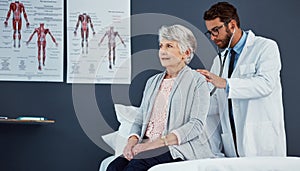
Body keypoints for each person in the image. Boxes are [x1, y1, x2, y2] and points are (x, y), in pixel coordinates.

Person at [107, 24, 214, 171]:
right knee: (113, 167)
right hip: (146, 146)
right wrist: (131, 143)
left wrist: (149, 146)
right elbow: (140, 119)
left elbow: (195, 125)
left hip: (175, 146)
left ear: (186, 52)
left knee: (135, 167)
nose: (162, 51)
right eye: (161, 45)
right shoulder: (152, 82)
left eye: (169, 46)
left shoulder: (197, 81)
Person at [197, 2, 286, 157]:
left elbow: (266, 84)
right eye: (210, 32)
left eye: (216, 30)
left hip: (261, 141)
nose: (212, 37)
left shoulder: (265, 47)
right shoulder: (219, 61)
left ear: (232, 25)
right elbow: (215, 106)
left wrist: (225, 83)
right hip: (233, 143)